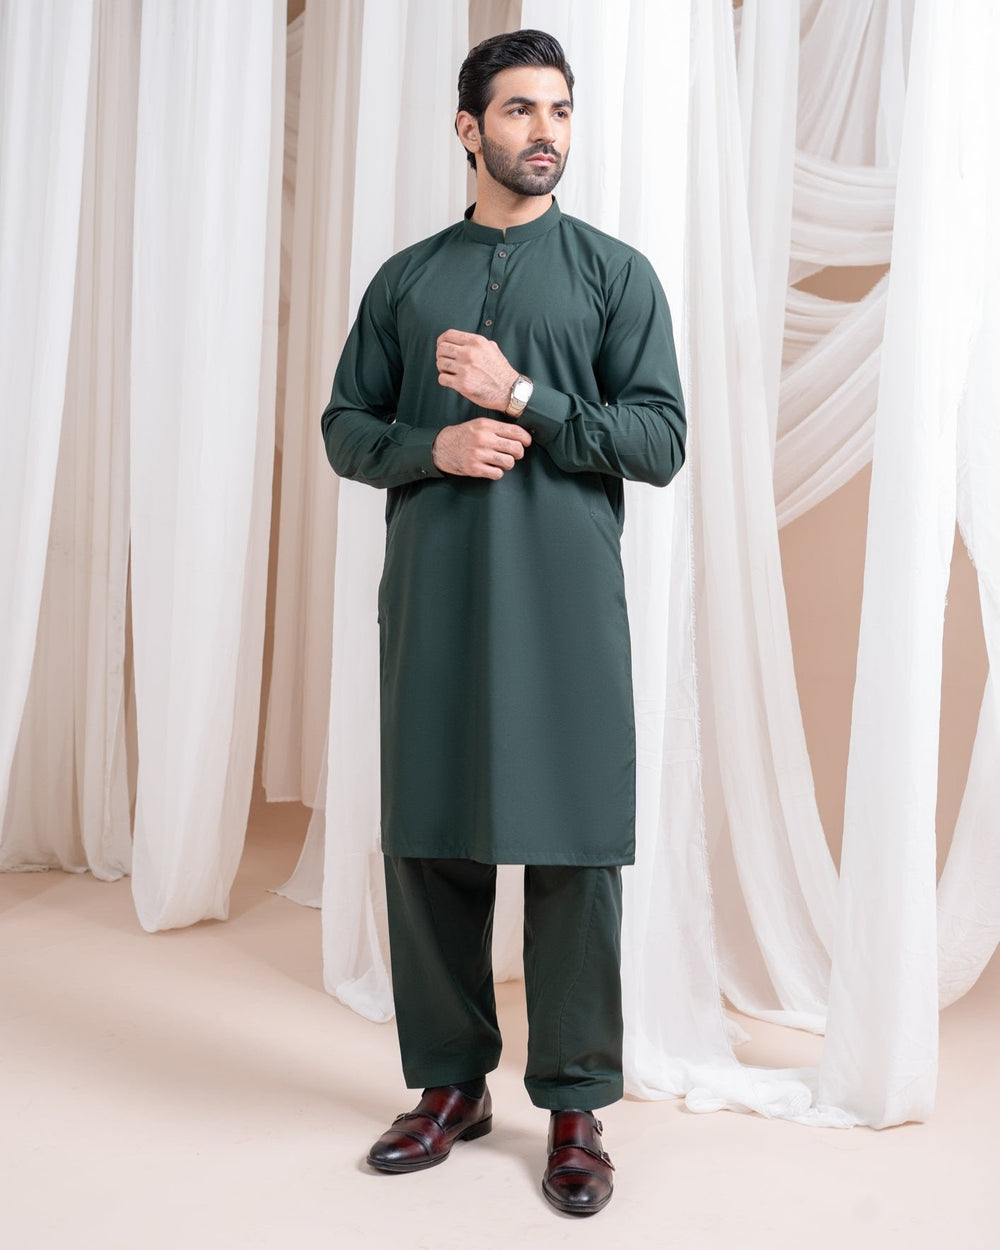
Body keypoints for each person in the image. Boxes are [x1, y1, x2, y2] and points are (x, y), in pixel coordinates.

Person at [321, 29, 685, 1217]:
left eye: (560, 110)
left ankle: (575, 1108)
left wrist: (522, 396)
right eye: (521, 110)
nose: (546, 132)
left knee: (574, 851)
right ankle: (449, 1086)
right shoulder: (405, 278)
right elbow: (344, 426)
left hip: (565, 608)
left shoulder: (614, 274)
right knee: (430, 836)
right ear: (468, 128)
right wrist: (434, 446)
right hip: (435, 600)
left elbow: (659, 440)